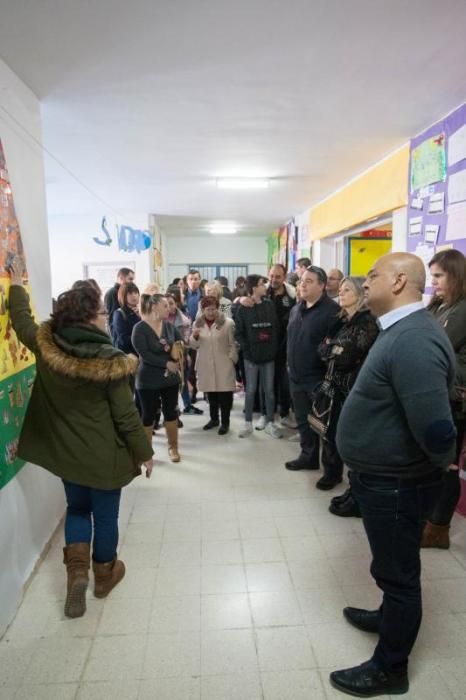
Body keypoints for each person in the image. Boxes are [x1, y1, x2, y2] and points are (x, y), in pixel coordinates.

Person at [330, 253, 456, 698]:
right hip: (383, 478)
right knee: (390, 566)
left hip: (397, 482)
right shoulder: (400, 329)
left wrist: (438, 465)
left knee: (400, 574)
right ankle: (388, 617)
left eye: (374, 275)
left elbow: (437, 427)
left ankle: (391, 669)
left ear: (401, 280)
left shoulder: (414, 339)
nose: (365, 282)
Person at [8, 263, 153, 619]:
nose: (106, 318)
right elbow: (125, 416)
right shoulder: (111, 362)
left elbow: (23, 323)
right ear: (89, 319)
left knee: (77, 508)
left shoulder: (46, 346)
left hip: (67, 455)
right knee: (105, 517)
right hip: (104, 456)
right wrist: (145, 453)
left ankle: (76, 573)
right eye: (102, 313)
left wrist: (14, 287)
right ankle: (103, 575)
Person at [315, 276, 379, 491]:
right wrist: (334, 349)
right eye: (341, 289)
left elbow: (347, 358)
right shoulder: (340, 320)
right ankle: (331, 474)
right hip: (333, 385)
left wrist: (333, 349)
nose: (341, 293)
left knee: (351, 437)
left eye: (347, 290)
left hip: (354, 388)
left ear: (361, 294)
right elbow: (322, 350)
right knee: (329, 432)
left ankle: (356, 488)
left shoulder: (367, 321)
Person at [421, 249, 466, 549]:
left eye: (438, 276)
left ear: (456, 275)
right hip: (438, 391)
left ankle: (438, 529)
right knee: (435, 463)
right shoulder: (439, 306)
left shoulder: (462, 309)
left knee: (447, 465)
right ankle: (430, 520)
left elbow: (438, 347)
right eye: (432, 276)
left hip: (454, 398)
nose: (433, 282)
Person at [285, 266, 340, 471]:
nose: (303, 284)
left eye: (309, 281)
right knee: (303, 421)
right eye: (301, 281)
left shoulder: (332, 312)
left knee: (325, 425)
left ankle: (332, 470)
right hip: (296, 377)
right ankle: (308, 457)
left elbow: (335, 348)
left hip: (319, 378)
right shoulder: (296, 308)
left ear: (322, 285)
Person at [132, 294, 183, 463]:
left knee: (171, 412)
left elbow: (180, 342)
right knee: (148, 415)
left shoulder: (169, 326)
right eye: (165, 306)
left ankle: (173, 447)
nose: (169, 308)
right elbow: (144, 355)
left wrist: (180, 352)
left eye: (169, 305)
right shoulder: (139, 328)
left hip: (170, 380)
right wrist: (166, 363)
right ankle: (146, 454)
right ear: (154, 307)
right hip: (147, 379)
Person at [234, 274, 281, 439]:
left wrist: (273, 349)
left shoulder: (269, 305)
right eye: (262, 284)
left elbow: (275, 329)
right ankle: (247, 424)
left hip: (269, 356)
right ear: (254, 287)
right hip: (251, 358)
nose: (265, 287)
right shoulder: (242, 307)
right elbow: (238, 333)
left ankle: (269, 422)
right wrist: (248, 350)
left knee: (269, 391)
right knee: (251, 390)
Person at [190, 296, 238, 434]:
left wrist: (231, 360)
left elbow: (233, 344)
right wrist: (195, 336)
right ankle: (214, 419)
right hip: (206, 364)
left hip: (224, 364)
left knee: (225, 396)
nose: (211, 312)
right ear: (203, 310)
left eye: (213, 309)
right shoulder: (197, 324)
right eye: (207, 309)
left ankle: (225, 423)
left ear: (218, 308)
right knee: (211, 395)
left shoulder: (228, 323)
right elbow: (194, 345)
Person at [185, 270, 204, 404]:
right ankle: (193, 393)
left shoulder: (205, 295)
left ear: (200, 280)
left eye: (196, 279)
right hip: (187, 335)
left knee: (204, 365)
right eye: (191, 279)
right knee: (190, 366)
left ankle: (208, 393)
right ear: (187, 281)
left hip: (203, 334)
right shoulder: (181, 296)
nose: (193, 281)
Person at [104, 267, 135, 337]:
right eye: (130, 279)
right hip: (118, 333)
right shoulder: (112, 293)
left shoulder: (123, 292)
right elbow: (114, 316)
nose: (132, 282)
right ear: (121, 278)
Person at [112, 282, 140, 353]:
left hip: (141, 351)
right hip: (127, 354)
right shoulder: (119, 313)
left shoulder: (141, 312)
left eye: (136, 292)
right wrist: (142, 338)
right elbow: (123, 339)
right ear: (123, 296)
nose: (134, 296)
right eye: (130, 293)